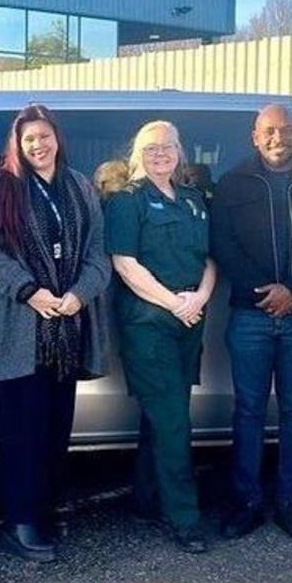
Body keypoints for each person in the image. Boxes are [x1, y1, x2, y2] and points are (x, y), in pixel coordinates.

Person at [0, 104, 111, 562]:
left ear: (57, 137)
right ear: (18, 143)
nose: (38, 145)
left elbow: (98, 252)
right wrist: (31, 292)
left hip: (68, 325)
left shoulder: (79, 186)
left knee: (55, 428)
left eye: (44, 136)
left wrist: (78, 294)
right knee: (22, 431)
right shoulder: (3, 188)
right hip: (23, 329)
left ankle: (45, 509)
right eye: (29, 138)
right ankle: (19, 520)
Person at [210, 103, 292, 543]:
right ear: (254, 135)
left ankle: (290, 502)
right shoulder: (233, 183)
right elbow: (223, 246)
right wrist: (266, 293)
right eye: (269, 131)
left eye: (286, 130)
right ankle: (246, 502)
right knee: (248, 410)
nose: (277, 138)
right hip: (250, 314)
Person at [104, 121, 217, 553]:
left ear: (179, 151)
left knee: (162, 417)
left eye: (168, 147)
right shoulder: (127, 201)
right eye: (151, 148)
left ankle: (147, 499)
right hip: (150, 323)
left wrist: (200, 298)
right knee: (173, 421)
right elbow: (125, 264)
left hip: (189, 320)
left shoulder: (192, 201)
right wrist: (175, 303)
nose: (160, 155)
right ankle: (184, 517)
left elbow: (210, 257)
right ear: (137, 154)